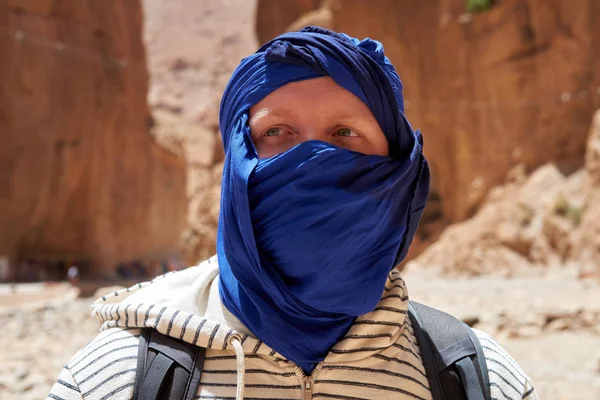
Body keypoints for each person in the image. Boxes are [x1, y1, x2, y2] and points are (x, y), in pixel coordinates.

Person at [48, 27, 537, 400]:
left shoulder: (475, 376)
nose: (312, 158)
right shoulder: (118, 377)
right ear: (237, 166)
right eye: (276, 133)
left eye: (345, 133)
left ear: (397, 170)